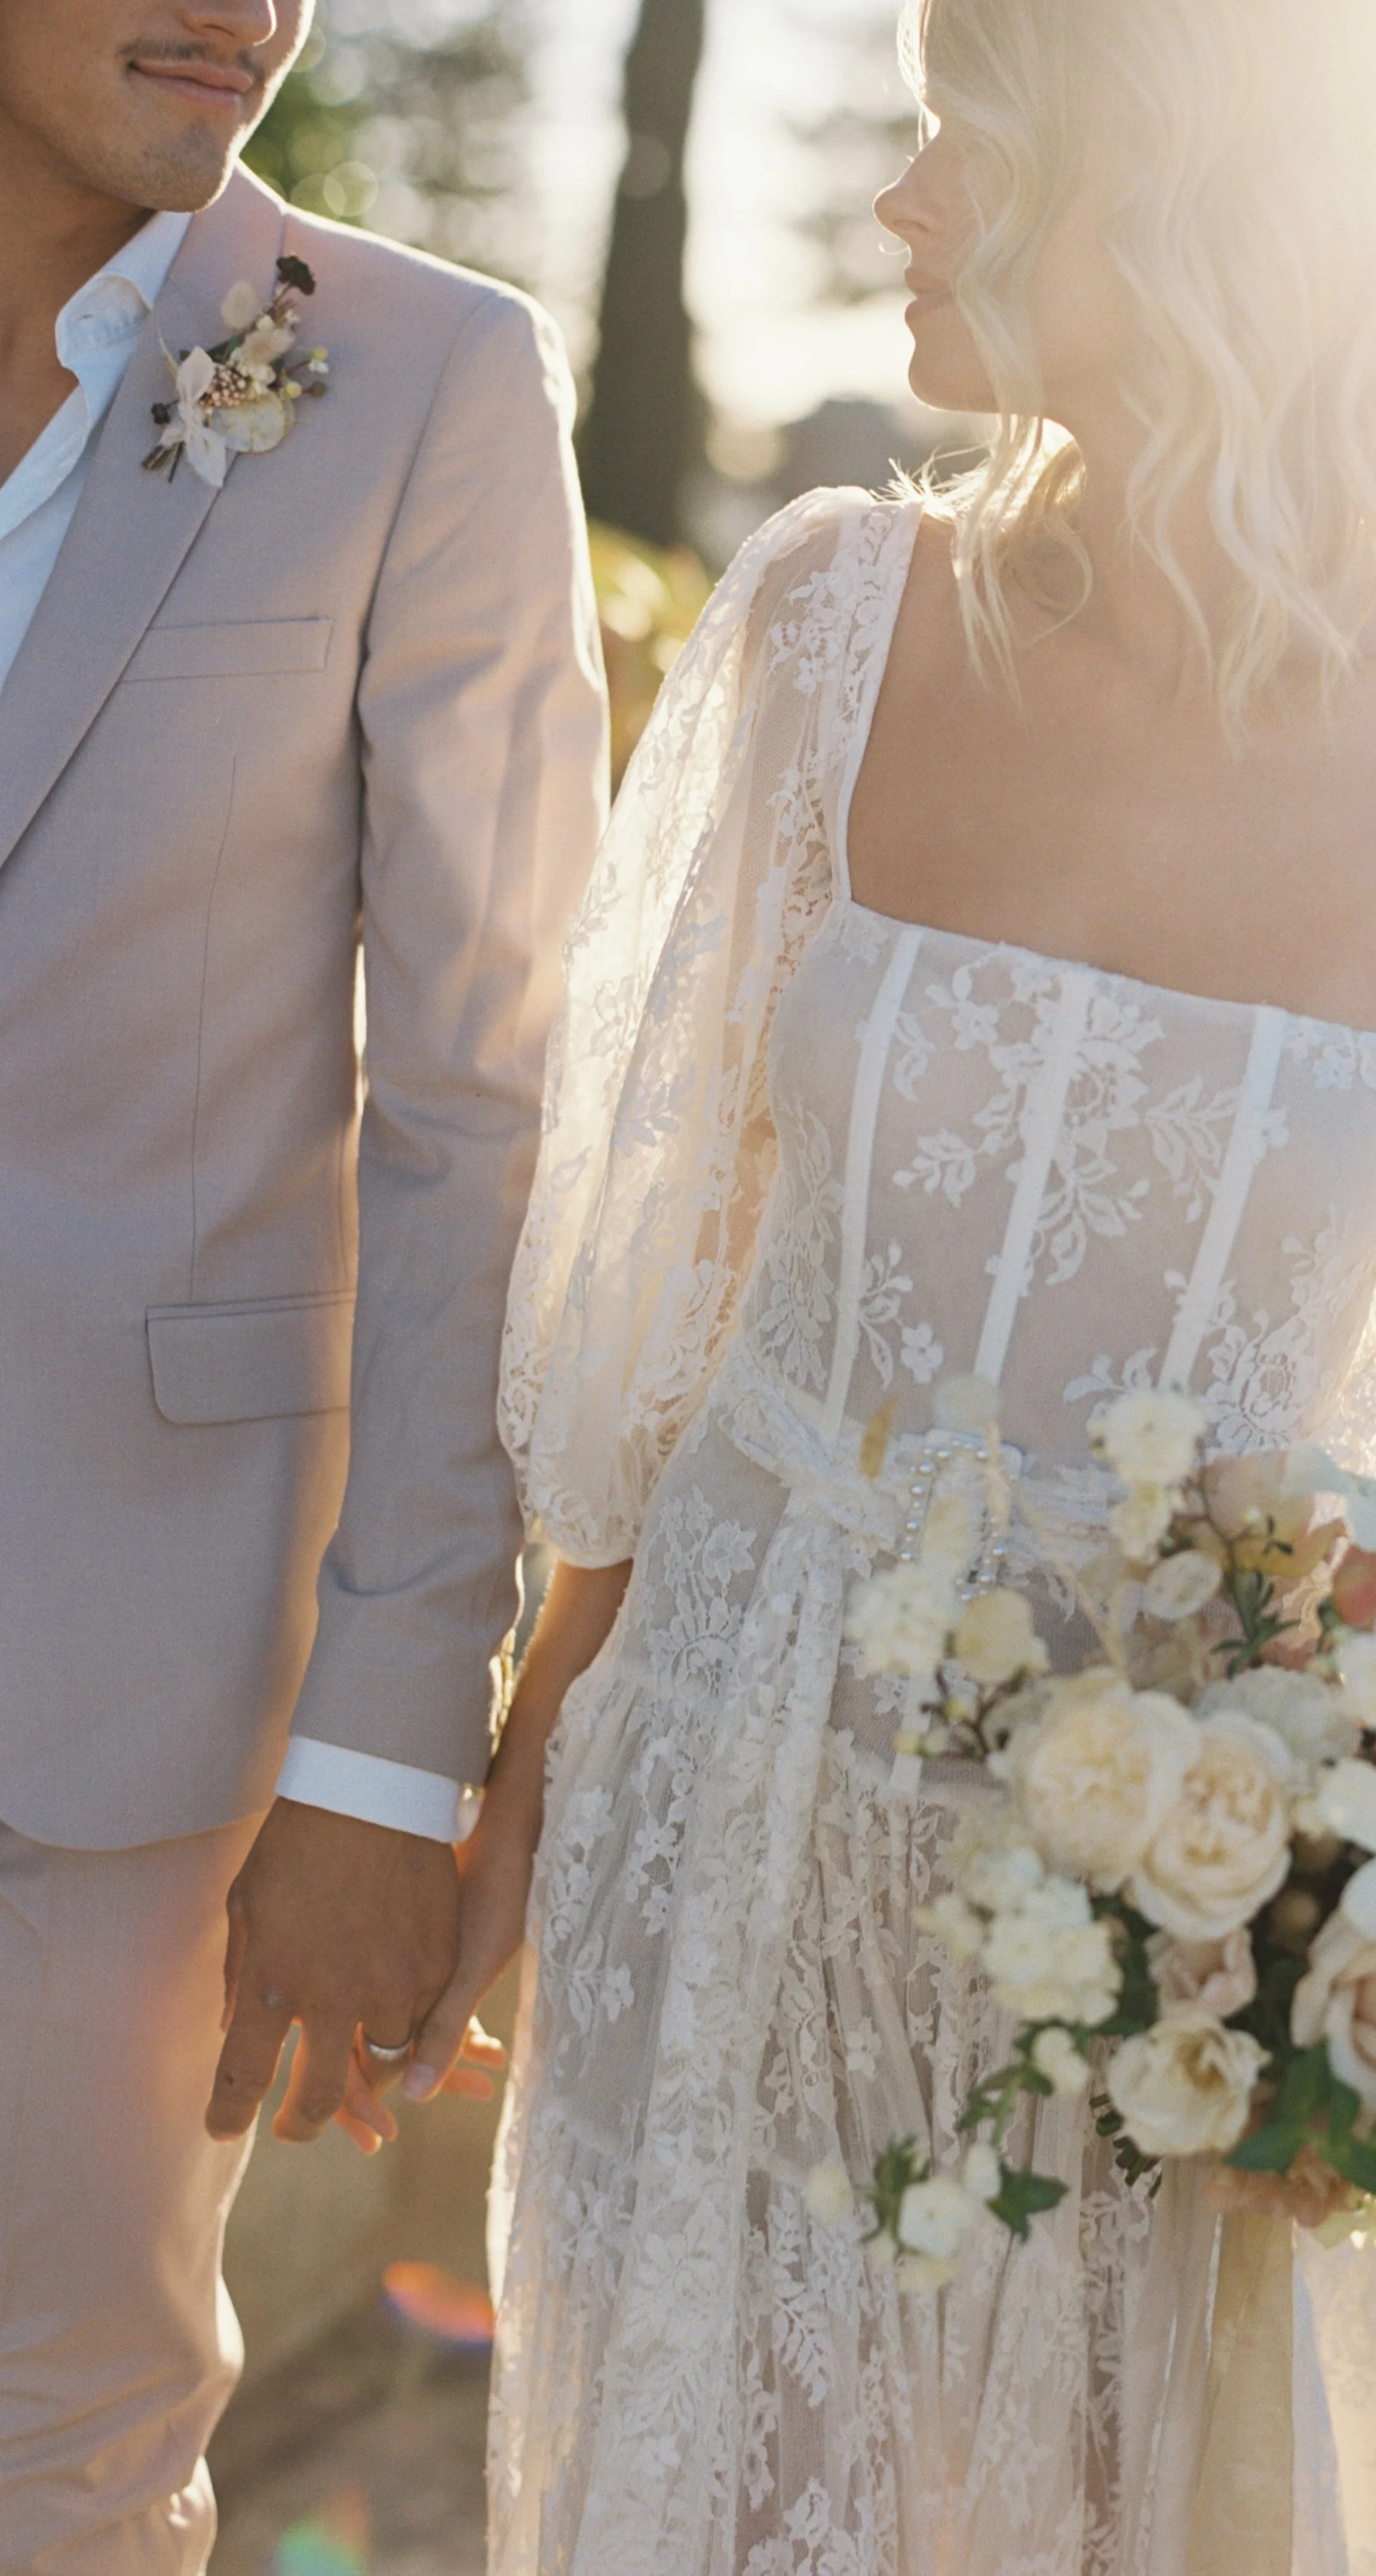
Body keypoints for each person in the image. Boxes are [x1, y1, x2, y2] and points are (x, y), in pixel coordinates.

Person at [424, 0, 1376, 2566]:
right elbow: (651, 1265)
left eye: (972, 135)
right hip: (719, 1808)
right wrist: (520, 1765)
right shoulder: (829, 623)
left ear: (1170, 199)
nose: (901, 194)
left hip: (1168, 1918)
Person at [0, 0, 605, 2563]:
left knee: (60, 2447)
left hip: (116, 1657)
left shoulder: (423, 381)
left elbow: (494, 1100)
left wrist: (388, 1745)